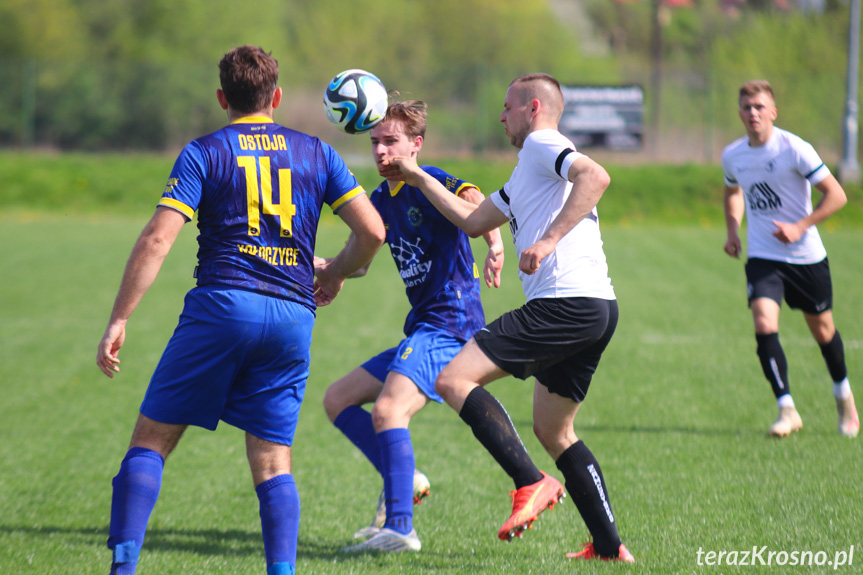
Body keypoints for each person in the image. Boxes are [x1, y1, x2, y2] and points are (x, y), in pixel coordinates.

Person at [95, 45, 385, 575]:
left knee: (151, 443)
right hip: (292, 317)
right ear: (274, 97)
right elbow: (373, 232)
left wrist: (119, 318)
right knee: (274, 463)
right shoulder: (318, 153)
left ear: (222, 97)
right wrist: (337, 271)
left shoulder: (205, 151)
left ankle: (123, 567)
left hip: (223, 304)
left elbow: (159, 239)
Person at [379, 74, 634, 563]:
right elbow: (474, 222)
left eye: (507, 108)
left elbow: (595, 177)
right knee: (555, 431)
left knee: (453, 378)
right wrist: (417, 175)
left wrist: (549, 240)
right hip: (598, 308)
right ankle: (609, 547)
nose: (500, 117)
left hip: (564, 303)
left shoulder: (543, 143)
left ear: (532, 108)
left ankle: (531, 483)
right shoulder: (526, 172)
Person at [317, 99, 505, 553]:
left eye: (391, 142)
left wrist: (496, 243)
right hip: (423, 327)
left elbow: (477, 204)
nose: (381, 152)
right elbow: (358, 262)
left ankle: (400, 526)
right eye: (375, 143)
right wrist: (324, 267)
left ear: (415, 144)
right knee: (337, 399)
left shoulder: (433, 180)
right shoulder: (381, 200)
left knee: (387, 412)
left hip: (450, 324)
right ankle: (400, 476)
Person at [722, 80, 859, 439]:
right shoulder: (733, 155)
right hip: (764, 256)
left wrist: (801, 225)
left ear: (773, 112)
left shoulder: (795, 148)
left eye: (759, 107)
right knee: (764, 323)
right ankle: (787, 408)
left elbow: (837, 195)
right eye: (747, 107)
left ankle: (843, 394)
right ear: (739, 113)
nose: (753, 113)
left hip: (806, 258)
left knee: (824, 331)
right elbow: (733, 190)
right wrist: (733, 230)